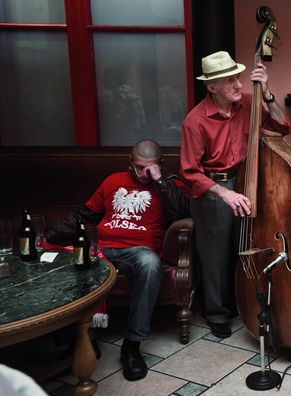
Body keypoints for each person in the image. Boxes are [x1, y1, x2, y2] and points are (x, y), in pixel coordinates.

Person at [45, 139, 189, 381]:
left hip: (139, 252)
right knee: (64, 260)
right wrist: (48, 236)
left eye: (151, 167)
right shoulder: (113, 181)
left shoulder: (169, 185)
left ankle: (131, 346)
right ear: (130, 162)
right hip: (101, 248)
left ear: (160, 164)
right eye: (140, 167)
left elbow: (183, 212)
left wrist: (159, 180)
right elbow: (84, 214)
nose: (144, 173)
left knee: (151, 264)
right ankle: (81, 340)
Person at [180, 51, 289, 338]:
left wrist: (267, 94)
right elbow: (190, 172)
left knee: (245, 248)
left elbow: (282, 126)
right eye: (230, 81)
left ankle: (246, 303)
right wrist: (224, 195)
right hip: (213, 191)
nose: (239, 85)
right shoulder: (195, 121)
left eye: (237, 78)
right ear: (212, 87)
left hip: (245, 181)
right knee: (215, 258)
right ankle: (216, 313)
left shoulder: (249, 102)